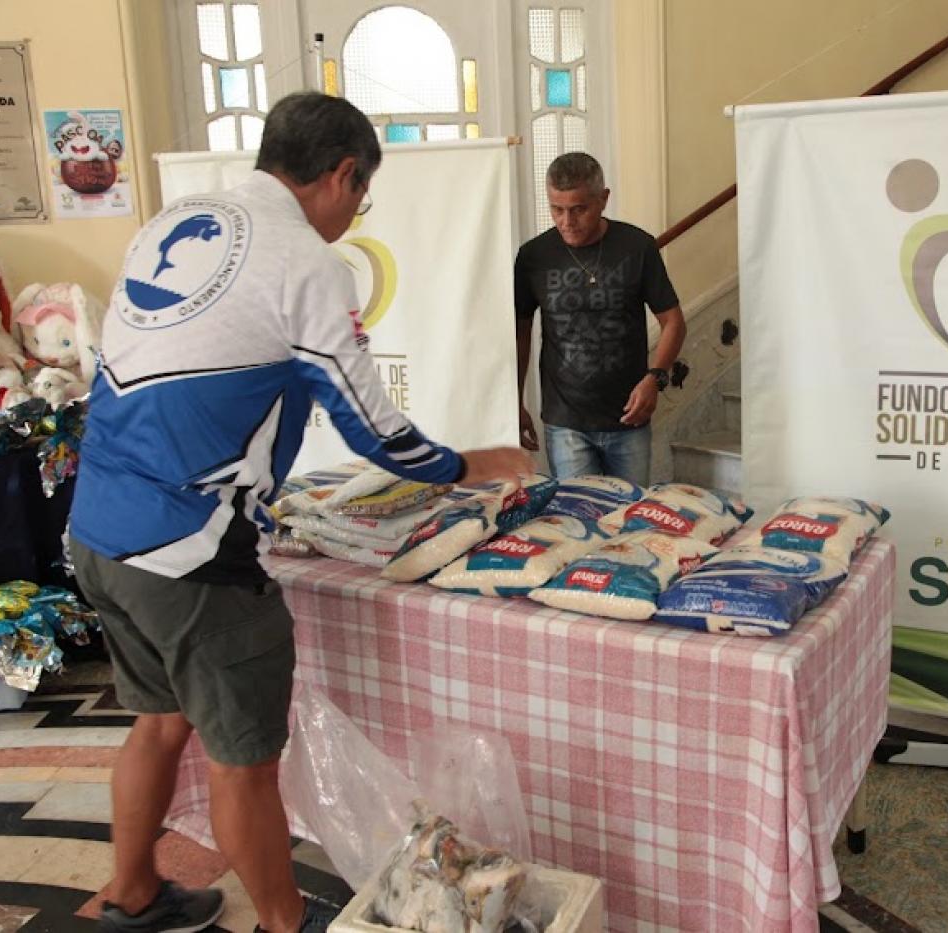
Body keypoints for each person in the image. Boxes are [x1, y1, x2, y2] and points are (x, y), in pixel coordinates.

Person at [69, 92, 533, 933]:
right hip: (190, 550)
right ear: (343, 174)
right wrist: (474, 463)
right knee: (243, 764)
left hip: (99, 524)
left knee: (156, 721)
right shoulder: (300, 258)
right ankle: (285, 924)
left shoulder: (178, 219)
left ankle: (129, 890)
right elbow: (373, 428)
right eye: (362, 196)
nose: (356, 214)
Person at [514, 152, 685, 487]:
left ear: (603, 199)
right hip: (566, 422)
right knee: (578, 521)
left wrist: (655, 378)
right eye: (556, 209)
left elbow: (674, 322)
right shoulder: (534, 256)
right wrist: (516, 401)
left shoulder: (637, 247)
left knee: (627, 519)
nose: (566, 221)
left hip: (628, 418)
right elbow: (521, 333)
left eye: (579, 209)